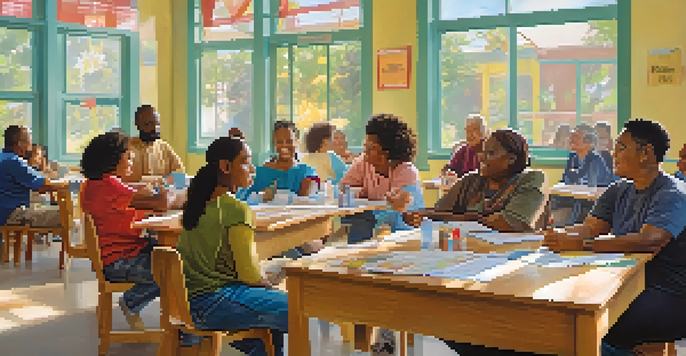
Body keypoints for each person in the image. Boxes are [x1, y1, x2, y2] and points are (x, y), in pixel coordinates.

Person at [542, 119, 686, 356]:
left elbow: (649, 240)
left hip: (669, 294)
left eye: (620, 147)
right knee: (562, 312)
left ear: (646, 153)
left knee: (598, 327)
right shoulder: (618, 189)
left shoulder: (671, 192)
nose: (612, 154)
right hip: (627, 284)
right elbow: (590, 227)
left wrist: (583, 245)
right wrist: (559, 235)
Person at [177, 136, 287, 356]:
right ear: (226, 167)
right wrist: (270, 284)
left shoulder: (197, 204)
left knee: (271, 319)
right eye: (245, 161)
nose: (252, 168)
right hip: (214, 304)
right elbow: (249, 276)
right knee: (298, 307)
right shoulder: (236, 210)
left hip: (188, 304)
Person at [338, 113, 425, 354]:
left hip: (406, 241)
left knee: (372, 266)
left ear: (388, 151)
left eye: (371, 147)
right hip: (381, 237)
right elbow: (345, 188)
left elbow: (400, 206)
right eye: (365, 146)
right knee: (358, 255)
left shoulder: (405, 170)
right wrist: (373, 197)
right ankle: (364, 327)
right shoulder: (364, 163)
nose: (365, 152)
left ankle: (382, 331)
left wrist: (387, 200)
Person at [80, 130, 172, 331]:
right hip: (120, 261)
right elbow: (160, 203)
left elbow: (130, 199)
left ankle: (137, 303)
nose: (131, 159)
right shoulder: (109, 185)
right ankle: (133, 302)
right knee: (177, 266)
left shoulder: (94, 184)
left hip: (115, 255)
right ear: (113, 159)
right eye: (127, 155)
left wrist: (145, 190)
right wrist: (165, 189)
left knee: (173, 254)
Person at [404, 129, 548, 234]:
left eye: (490, 153)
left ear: (511, 159)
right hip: (473, 254)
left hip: (518, 258)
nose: (481, 158)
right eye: (482, 152)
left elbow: (507, 224)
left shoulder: (533, 179)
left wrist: (468, 217)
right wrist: (418, 216)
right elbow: (438, 213)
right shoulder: (471, 180)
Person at [236, 121, 321, 258]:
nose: (284, 146)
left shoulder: (306, 171)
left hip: (295, 228)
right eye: (279, 142)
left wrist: (275, 198)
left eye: (289, 141)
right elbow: (242, 199)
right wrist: (261, 197)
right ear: (274, 144)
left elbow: (306, 203)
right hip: (264, 227)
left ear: (297, 142)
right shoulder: (261, 172)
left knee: (303, 246)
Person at [0, 125, 68, 228]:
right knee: (66, 213)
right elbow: (42, 186)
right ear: (20, 144)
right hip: (13, 214)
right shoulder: (15, 162)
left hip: (5, 211)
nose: (30, 147)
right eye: (29, 142)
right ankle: (77, 244)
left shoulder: (3, 158)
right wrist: (67, 185)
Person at [552, 124, 615, 227]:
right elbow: (565, 181)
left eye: (577, 136)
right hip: (576, 199)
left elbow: (591, 188)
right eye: (571, 135)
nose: (571, 139)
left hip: (595, 202)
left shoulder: (595, 160)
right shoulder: (573, 158)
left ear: (590, 143)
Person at [124, 105, 185, 183]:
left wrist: (161, 182)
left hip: (162, 193)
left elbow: (180, 174)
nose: (154, 128)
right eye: (149, 124)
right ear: (137, 124)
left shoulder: (164, 148)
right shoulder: (127, 148)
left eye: (157, 124)